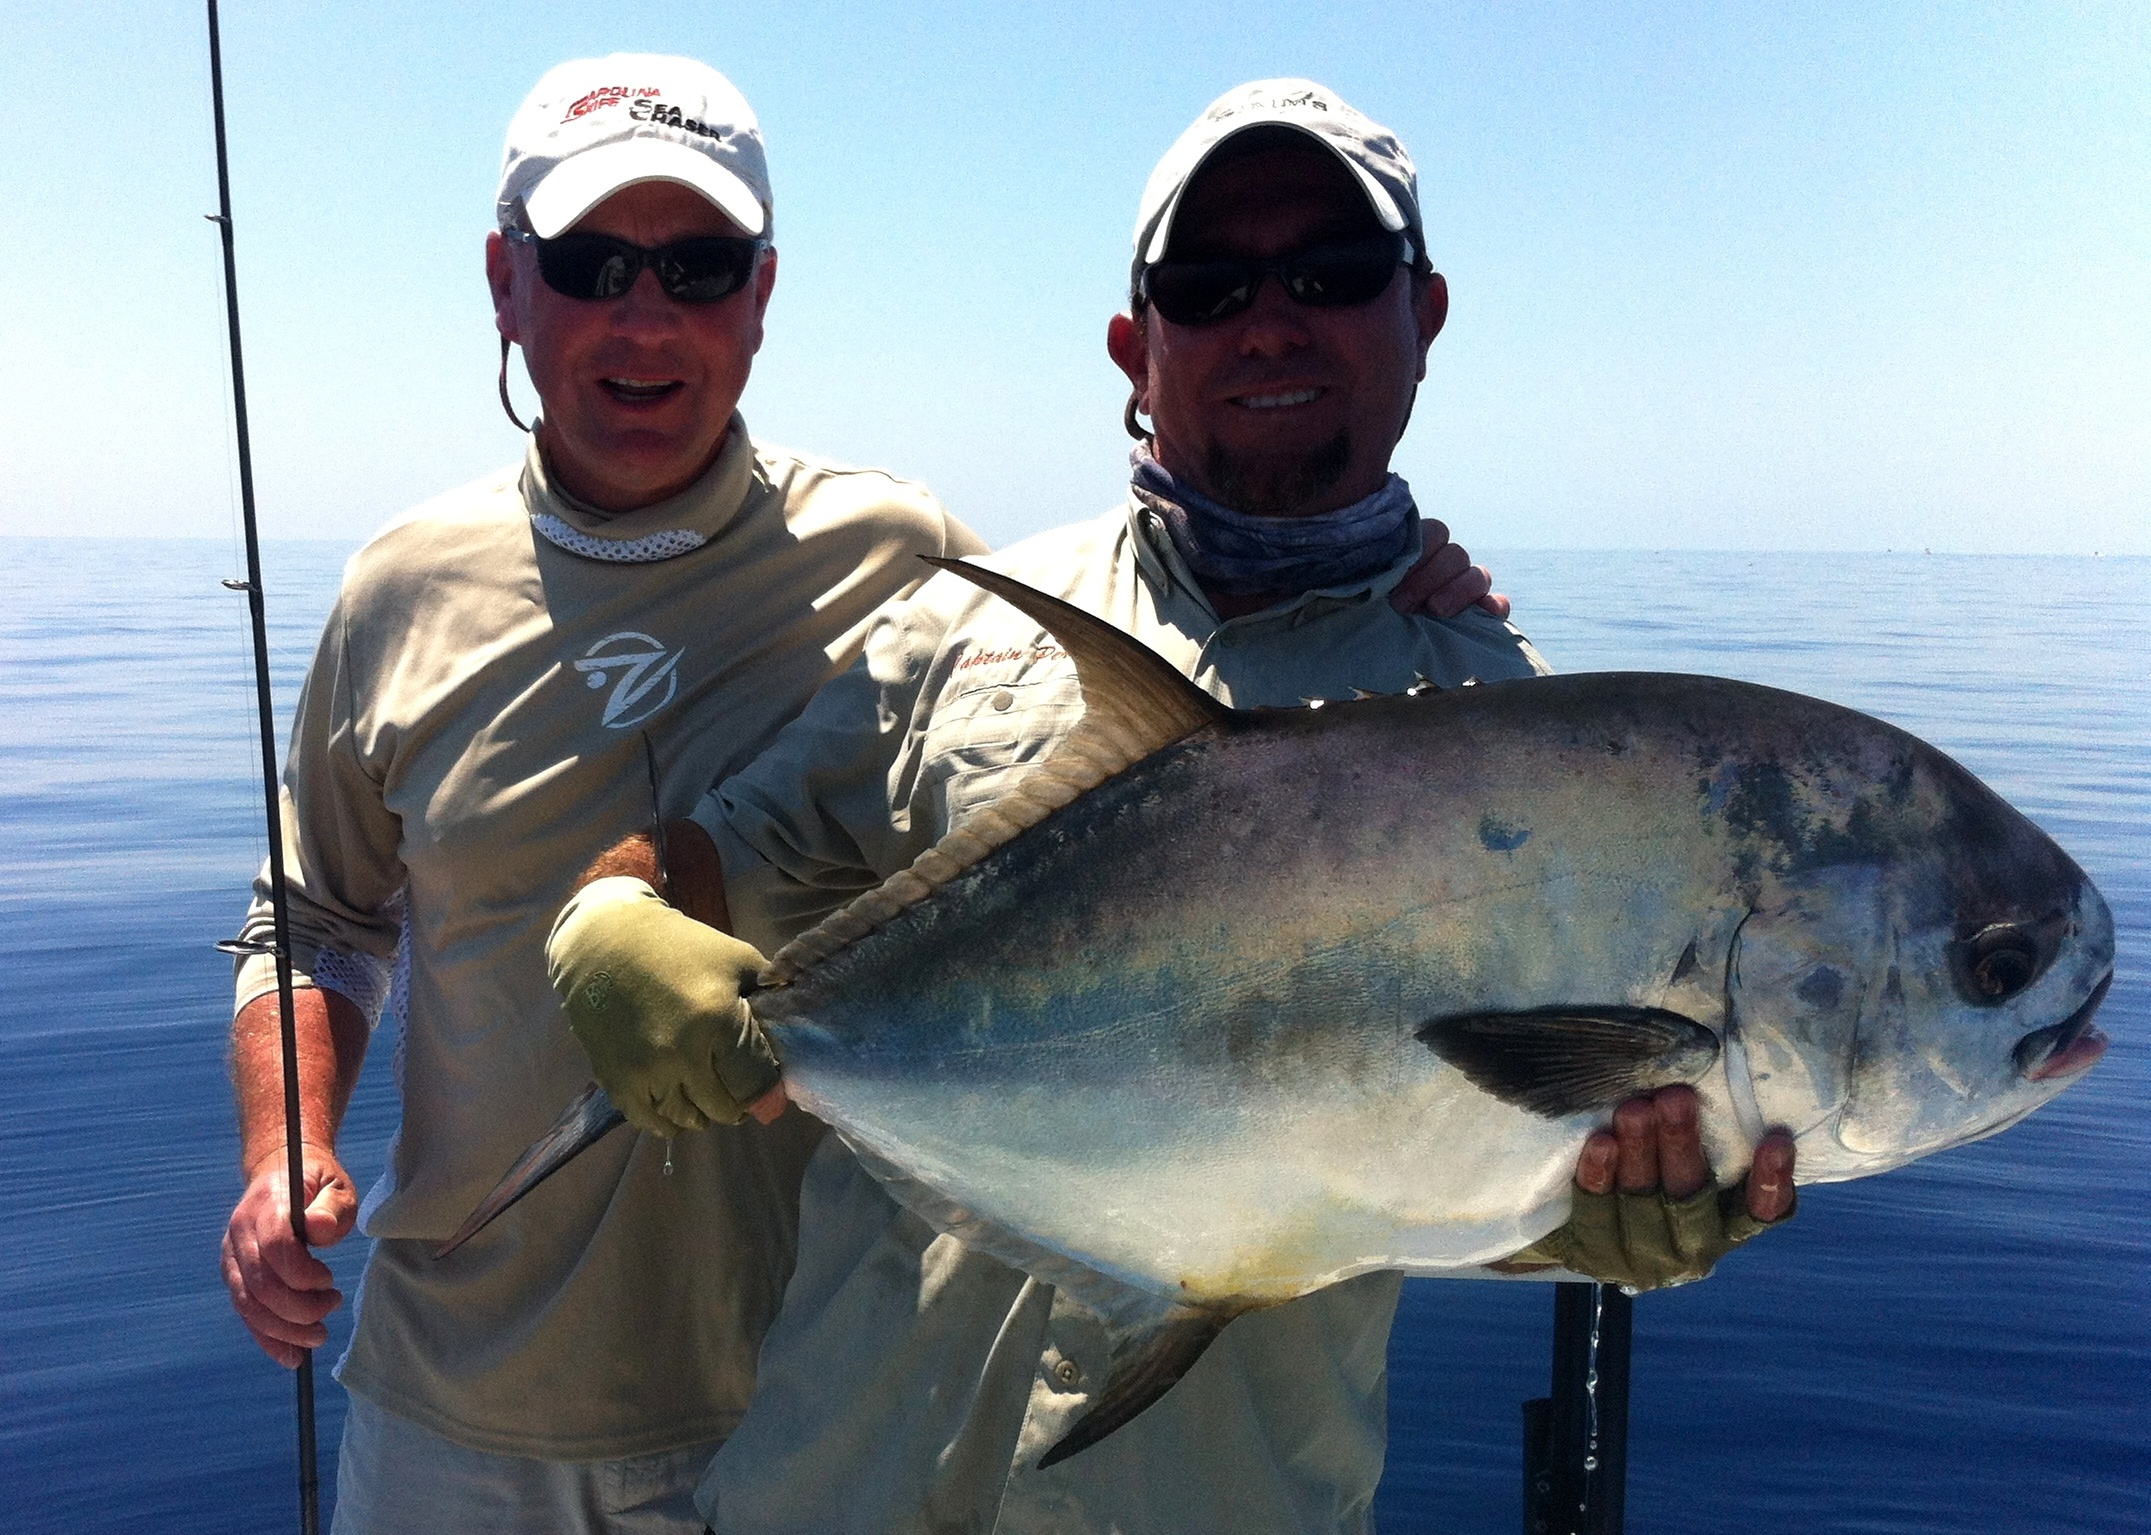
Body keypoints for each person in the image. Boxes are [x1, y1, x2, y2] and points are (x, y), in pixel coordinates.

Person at [217, 59, 1510, 1534]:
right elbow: (312, 913)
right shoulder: (398, 585)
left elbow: (1155, 665)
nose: (647, 316)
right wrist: (285, 1154)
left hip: (770, 1391)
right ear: (508, 284)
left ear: (760, 297)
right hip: (461, 1396)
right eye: (591, 265)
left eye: (697, 267)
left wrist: (1434, 641)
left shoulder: (909, 557)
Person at [547, 81, 1795, 1534]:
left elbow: (1444, 1168)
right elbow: (737, 847)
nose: (1270, 321)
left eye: (1330, 274)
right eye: (1209, 286)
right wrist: (616, 910)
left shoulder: (1515, 746)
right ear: (1137, 348)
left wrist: (1591, 1217)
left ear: (1424, 316)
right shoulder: (963, 628)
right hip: (837, 1488)